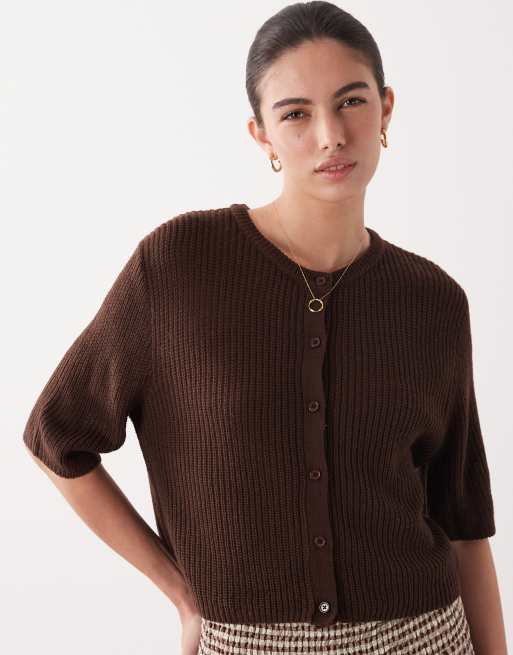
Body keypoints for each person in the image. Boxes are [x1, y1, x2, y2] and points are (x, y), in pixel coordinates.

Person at [23, 2, 507, 654]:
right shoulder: (179, 266)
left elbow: (463, 524)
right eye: (296, 114)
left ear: (386, 109)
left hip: (426, 637)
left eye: (351, 101)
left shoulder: (432, 300)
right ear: (262, 135)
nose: (330, 135)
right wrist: (181, 593)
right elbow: (57, 437)